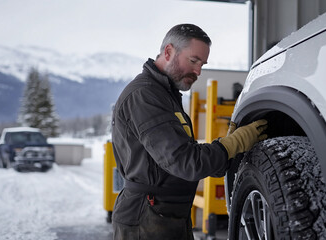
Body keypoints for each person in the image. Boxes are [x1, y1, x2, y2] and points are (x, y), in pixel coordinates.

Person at [111, 23, 268, 240]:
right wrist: (233, 144)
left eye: (202, 64)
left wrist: (229, 147)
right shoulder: (145, 96)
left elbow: (185, 157)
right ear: (168, 52)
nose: (198, 71)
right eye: (193, 61)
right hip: (146, 221)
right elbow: (184, 162)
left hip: (166, 215)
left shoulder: (165, 95)